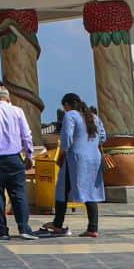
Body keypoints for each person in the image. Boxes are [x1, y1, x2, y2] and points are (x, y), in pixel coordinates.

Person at [43, 94, 105, 237]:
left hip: (75, 159)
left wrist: (62, 154)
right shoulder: (93, 117)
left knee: (62, 189)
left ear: (67, 105)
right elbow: (103, 136)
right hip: (94, 158)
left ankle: (58, 223)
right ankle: (93, 227)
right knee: (91, 192)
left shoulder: (70, 116)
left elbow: (66, 138)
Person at [0, 85, 37, 239]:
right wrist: (30, 155)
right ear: (8, 98)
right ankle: (24, 228)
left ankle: (1, 230)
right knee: (19, 194)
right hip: (14, 157)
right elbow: (26, 134)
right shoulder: (18, 111)